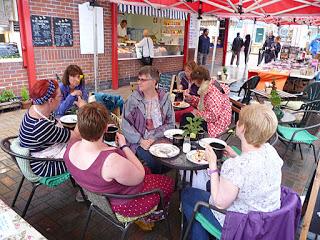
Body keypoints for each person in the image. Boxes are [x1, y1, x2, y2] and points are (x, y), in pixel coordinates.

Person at [182, 104, 283, 240]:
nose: (237, 122)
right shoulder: (271, 151)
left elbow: (219, 203)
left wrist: (212, 165)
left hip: (241, 226)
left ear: (243, 128)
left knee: (188, 194)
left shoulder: (235, 166)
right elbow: (252, 169)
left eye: (239, 120)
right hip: (266, 222)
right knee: (208, 187)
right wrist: (237, 156)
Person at [64, 102, 174, 220]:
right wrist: (124, 146)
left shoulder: (70, 149)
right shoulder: (111, 161)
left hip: (99, 197)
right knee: (168, 181)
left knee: (148, 170)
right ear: (106, 128)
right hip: (124, 204)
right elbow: (140, 175)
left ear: (79, 126)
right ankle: (156, 214)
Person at [19, 79, 82, 177]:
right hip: (45, 165)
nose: (61, 98)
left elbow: (56, 122)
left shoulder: (34, 109)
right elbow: (77, 136)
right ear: (50, 100)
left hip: (40, 154)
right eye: (60, 96)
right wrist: (83, 111)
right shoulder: (41, 126)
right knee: (85, 152)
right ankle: (89, 184)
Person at [121, 66, 175, 174]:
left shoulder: (164, 98)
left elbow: (171, 123)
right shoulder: (133, 99)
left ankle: (160, 180)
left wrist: (154, 137)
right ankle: (156, 184)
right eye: (139, 79)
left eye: (143, 80)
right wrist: (141, 141)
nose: (139, 82)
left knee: (173, 158)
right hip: (139, 140)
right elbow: (125, 124)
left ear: (153, 81)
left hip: (160, 137)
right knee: (153, 161)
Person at [183, 66, 231, 138]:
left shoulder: (212, 93)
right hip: (218, 119)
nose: (194, 83)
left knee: (186, 118)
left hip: (217, 124)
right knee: (188, 116)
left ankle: (186, 140)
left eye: (195, 80)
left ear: (200, 80)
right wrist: (191, 99)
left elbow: (213, 116)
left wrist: (198, 113)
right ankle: (189, 139)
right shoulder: (209, 86)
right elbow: (206, 104)